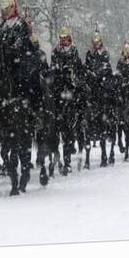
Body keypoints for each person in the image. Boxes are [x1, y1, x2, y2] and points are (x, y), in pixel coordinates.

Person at [50, 25, 83, 170]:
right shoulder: (56, 51)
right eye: (61, 38)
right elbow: (52, 66)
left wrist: (72, 73)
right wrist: (57, 71)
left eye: (65, 38)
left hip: (70, 86)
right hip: (58, 86)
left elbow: (78, 68)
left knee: (78, 99)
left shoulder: (74, 51)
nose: (63, 41)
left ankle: (79, 120)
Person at [84, 27, 114, 166]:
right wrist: (89, 74)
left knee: (107, 101)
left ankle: (109, 121)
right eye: (94, 42)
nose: (95, 44)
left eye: (97, 42)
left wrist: (100, 75)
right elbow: (86, 68)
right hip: (91, 86)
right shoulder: (89, 54)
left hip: (102, 87)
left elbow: (107, 69)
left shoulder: (105, 54)